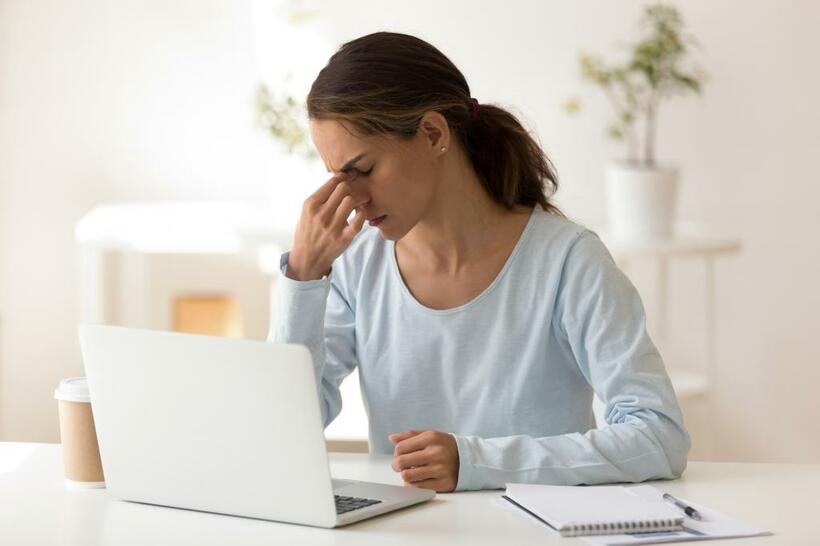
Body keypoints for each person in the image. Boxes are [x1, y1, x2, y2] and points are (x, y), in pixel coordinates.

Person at [269, 31, 690, 492]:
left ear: (433, 134)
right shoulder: (356, 266)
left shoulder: (567, 261)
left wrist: (476, 461)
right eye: (337, 177)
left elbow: (657, 434)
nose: (353, 197)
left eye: (363, 170)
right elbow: (281, 429)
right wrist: (303, 279)